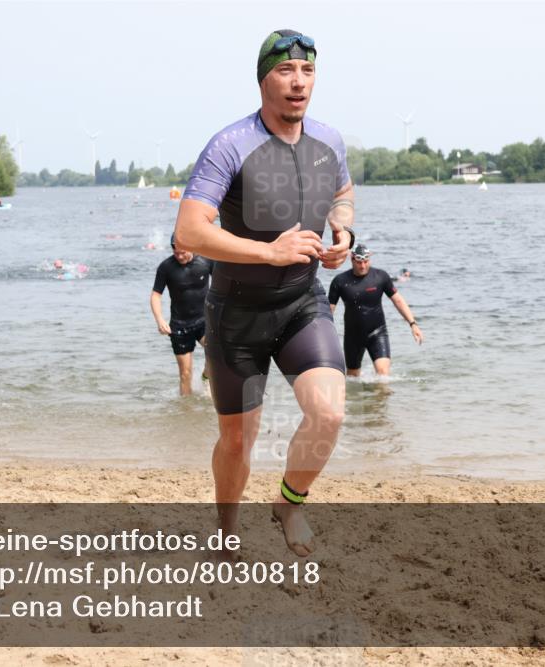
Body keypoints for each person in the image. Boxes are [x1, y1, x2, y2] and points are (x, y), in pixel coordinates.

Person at [174, 29, 355, 556]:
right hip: (235, 313)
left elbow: (342, 196)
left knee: (329, 414)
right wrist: (269, 252)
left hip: (302, 302)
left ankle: (288, 504)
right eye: (285, 71)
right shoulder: (230, 144)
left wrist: (343, 233)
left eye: (307, 71)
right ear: (263, 80)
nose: (298, 83)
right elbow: (189, 230)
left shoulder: (330, 142)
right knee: (237, 440)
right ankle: (227, 530)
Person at [329, 244, 423, 377]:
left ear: (370, 259)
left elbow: (398, 301)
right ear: (352, 259)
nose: (362, 266)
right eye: (359, 262)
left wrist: (413, 324)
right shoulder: (340, 281)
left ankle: (381, 398)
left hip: (378, 333)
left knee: (383, 374)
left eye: (366, 262)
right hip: (352, 337)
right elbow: (329, 311)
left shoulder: (380, 277)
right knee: (352, 378)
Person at [150, 234, 213, 396]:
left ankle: (206, 377)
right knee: (185, 374)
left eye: (183, 252)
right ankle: (186, 410)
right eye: (175, 252)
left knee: (216, 357)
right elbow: (156, 295)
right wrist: (160, 320)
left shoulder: (206, 261)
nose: (179, 256)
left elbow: (224, 284)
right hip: (180, 326)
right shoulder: (166, 268)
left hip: (205, 321)